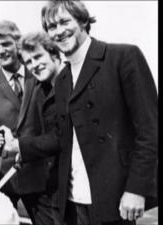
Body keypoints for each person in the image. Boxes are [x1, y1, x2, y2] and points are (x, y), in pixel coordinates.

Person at [37, 0, 158, 224]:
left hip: (114, 199)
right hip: (72, 201)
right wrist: (18, 146)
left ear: (83, 21)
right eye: (51, 27)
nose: (59, 31)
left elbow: (151, 131)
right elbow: (62, 138)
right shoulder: (62, 79)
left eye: (64, 22)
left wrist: (136, 189)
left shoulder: (123, 57)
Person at [0, 20, 55, 224]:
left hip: (41, 175)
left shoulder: (40, 74)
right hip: (4, 178)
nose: (0, 50)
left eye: (5, 44)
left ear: (18, 43)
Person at [0, 32, 66, 224]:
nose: (34, 65)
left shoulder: (69, 84)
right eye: (28, 61)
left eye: (38, 57)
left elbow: (61, 136)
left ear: (55, 54)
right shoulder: (43, 87)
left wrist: (17, 145)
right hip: (46, 184)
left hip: (69, 187)